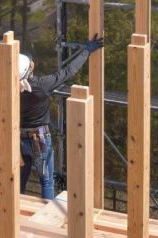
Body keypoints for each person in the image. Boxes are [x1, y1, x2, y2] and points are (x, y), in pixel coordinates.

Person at [16, 36, 103, 200]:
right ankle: (45, 217)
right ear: (29, 69)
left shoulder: (10, 86)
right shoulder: (41, 85)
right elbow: (68, 71)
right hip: (39, 139)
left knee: (19, 179)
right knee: (46, 181)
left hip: (19, 139)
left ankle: (14, 211)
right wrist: (87, 50)